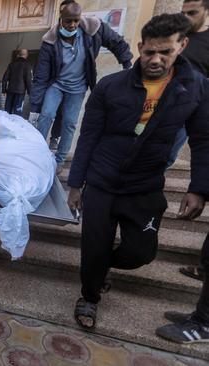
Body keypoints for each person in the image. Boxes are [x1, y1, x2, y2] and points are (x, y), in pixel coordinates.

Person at [66, 13, 209, 330]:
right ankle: (89, 296)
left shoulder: (194, 88)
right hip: (102, 182)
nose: (156, 59)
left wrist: (198, 188)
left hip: (144, 187)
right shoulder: (110, 87)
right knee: (93, 248)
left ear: (181, 46)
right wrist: (76, 185)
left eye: (166, 52)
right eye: (149, 52)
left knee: (140, 252)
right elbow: (88, 136)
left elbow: (203, 139)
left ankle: (101, 266)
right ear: (140, 47)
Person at [30, 0, 132, 174]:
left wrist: (127, 63)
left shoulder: (94, 28)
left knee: (70, 122)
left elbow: (116, 42)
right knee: (46, 115)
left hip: (78, 88)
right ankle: (36, 155)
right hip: (56, 84)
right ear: (60, 19)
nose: (72, 25)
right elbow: (41, 76)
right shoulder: (50, 41)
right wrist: (34, 107)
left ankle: (59, 160)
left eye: (75, 21)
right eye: (68, 21)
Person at [167, 0, 209, 169]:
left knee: (168, 153)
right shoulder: (171, 32)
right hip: (154, 99)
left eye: (192, 13)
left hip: (186, 108)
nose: (185, 18)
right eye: (183, 13)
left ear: (206, 12)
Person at [2, 49, 32, 116]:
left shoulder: (11, 64)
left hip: (10, 90)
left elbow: (5, 77)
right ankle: (15, 125)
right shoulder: (27, 65)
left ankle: (6, 125)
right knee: (17, 111)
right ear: (26, 55)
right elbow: (28, 80)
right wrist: (30, 93)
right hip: (20, 92)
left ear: (18, 55)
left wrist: (3, 90)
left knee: (7, 110)